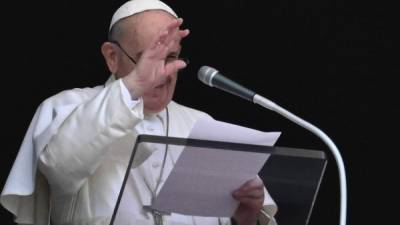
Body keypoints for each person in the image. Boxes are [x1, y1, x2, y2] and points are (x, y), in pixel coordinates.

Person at [1, 0, 277, 225]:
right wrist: (134, 84)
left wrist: (244, 218)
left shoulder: (201, 124)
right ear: (112, 56)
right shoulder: (65, 107)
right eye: (147, 59)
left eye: (170, 58)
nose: (160, 72)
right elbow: (60, 168)